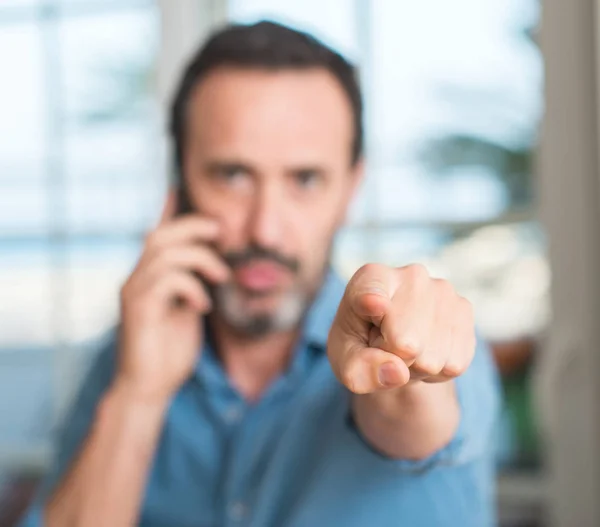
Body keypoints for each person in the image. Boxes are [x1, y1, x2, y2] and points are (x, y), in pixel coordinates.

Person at [20, 20, 499, 527]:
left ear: (350, 189)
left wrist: (403, 356)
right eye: (232, 176)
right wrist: (139, 393)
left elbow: (409, 416)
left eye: (305, 180)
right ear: (180, 184)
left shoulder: (424, 351)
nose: (266, 230)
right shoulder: (127, 360)